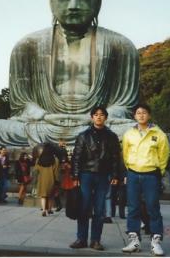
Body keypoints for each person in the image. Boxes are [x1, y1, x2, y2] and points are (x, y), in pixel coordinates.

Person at [0, 0, 139, 147]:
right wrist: (45, 116)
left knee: (133, 131)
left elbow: (124, 106)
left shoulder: (121, 46)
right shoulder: (27, 46)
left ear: (99, 1)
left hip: (97, 124)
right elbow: (22, 105)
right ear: (51, 0)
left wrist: (95, 119)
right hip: (45, 124)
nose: (73, 5)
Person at [69, 106, 123, 251]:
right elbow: (76, 157)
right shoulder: (83, 135)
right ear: (92, 117)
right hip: (86, 174)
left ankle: (95, 240)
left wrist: (115, 175)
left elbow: (115, 158)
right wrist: (75, 176)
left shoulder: (111, 136)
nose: (99, 117)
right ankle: (81, 238)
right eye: (96, 115)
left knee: (99, 210)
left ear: (106, 117)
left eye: (102, 115)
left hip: (103, 175)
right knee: (84, 207)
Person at [121, 104, 170, 256]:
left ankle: (156, 242)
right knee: (133, 207)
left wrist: (159, 171)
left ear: (149, 115)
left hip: (151, 174)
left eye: (144, 113)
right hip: (133, 174)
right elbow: (125, 153)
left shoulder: (159, 134)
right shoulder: (129, 134)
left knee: (153, 207)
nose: (141, 115)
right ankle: (134, 240)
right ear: (134, 116)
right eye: (138, 113)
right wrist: (129, 170)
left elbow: (164, 155)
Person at [34, 143, 60, 216]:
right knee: (51, 196)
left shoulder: (39, 159)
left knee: (43, 196)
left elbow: (36, 170)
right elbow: (56, 171)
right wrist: (57, 180)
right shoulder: (55, 160)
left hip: (42, 180)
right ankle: (49, 209)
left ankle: (43, 210)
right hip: (51, 180)